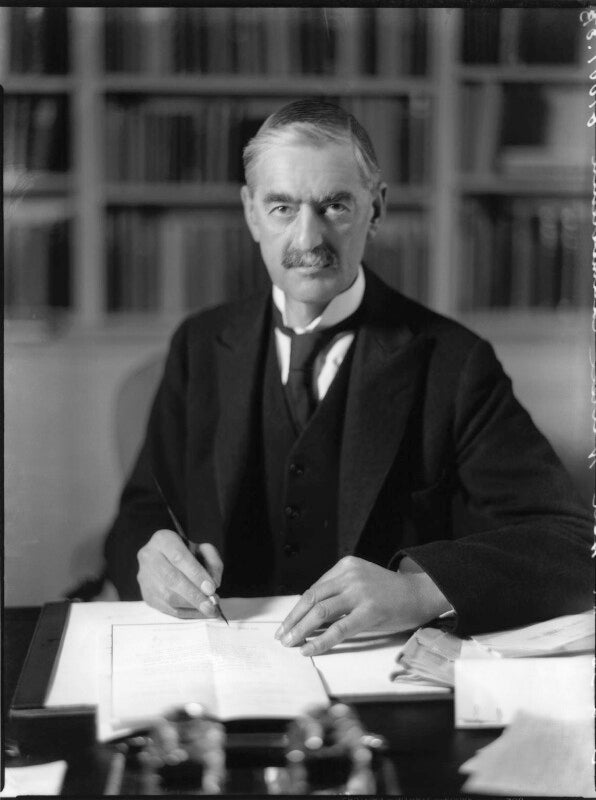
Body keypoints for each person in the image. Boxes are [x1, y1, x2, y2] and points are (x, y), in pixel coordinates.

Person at [104, 99, 591, 657]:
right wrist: (149, 557)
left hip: (379, 669)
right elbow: (141, 514)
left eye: (334, 205)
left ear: (375, 208)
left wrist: (419, 589)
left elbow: (575, 544)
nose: (308, 240)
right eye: (282, 207)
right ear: (251, 213)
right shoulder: (199, 345)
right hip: (223, 662)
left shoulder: (455, 363)